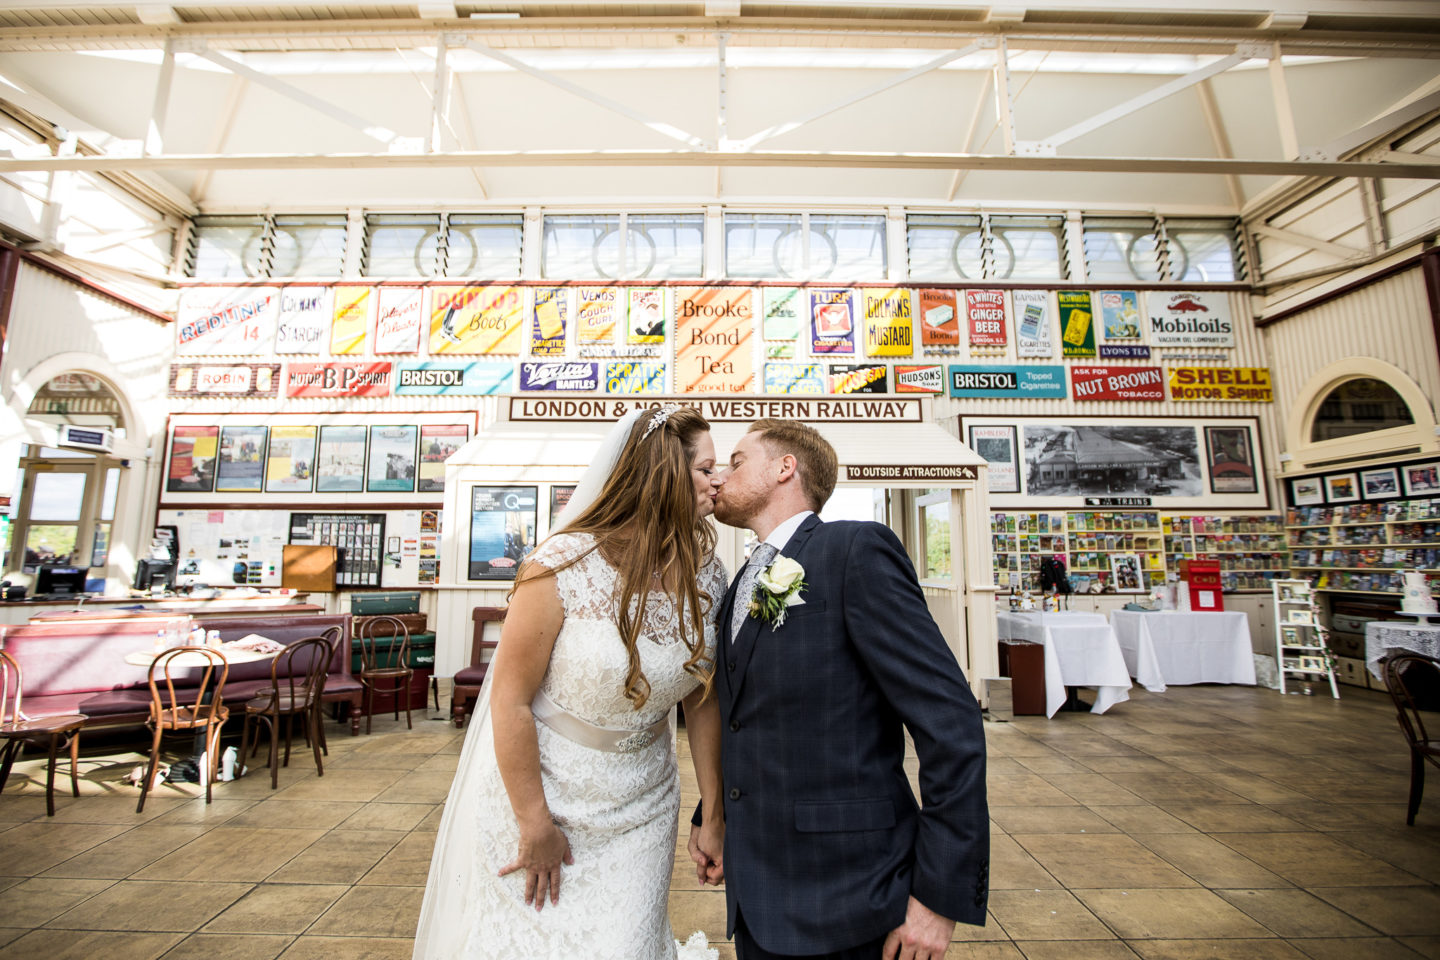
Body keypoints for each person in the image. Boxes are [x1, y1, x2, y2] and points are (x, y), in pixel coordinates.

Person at [413, 405, 727, 960]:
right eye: (706, 469)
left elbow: (703, 698)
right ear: (665, 475)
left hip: (645, 802)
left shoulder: (706, 571)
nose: (718, 480)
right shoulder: (559, 564)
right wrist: (534, 824)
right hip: (544, 793)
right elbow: (508, 701)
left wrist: (714, 812)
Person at [691, 418, 988, 960]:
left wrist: (937, 896)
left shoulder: (855, 549)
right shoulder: (739, 582)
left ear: (786, 468)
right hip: (759, 894)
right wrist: (713, 817)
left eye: (737, 461)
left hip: (853, 894)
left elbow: (952, 723)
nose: (719, 477)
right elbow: (747, 718)